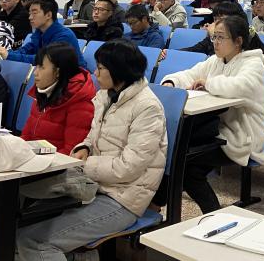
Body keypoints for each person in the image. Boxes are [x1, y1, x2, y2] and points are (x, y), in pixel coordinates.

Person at [17, 40, 167, 260]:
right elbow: (93, 134)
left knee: (35, 242)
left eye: (101, 68)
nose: (95, 73)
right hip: (92, 187)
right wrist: (84, 147)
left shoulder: (148, 108)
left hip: (122, 198)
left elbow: (128, 168)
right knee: (14, 221)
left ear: (119, 70)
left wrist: (84, 164)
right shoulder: (106, 96)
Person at [156, 16, 264, 214]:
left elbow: (240, 86)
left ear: (238, 41)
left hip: (243, 135)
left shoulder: (253, 63)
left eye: (220, 37)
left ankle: (209, 215)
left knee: (184, 162)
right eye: (214, 37)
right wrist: (172, 82)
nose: (215, 42)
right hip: (217, 129)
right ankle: (162, 205)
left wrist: (207, 83)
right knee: (176, 154)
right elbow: (190, 74)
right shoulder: (215, 60)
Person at [20, 42, 96, 154]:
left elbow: (71, 152)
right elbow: (26, 136)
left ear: (58, 72)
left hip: (56, 162)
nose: (35, 72)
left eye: (42, 67)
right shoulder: (43, 91)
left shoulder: (80, 103)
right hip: (34, 157)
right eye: (36, 66)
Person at [7, 0, 84, 66]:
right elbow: (27, 49)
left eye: (34, 13)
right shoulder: (39, 31)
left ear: (48, 15)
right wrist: (7, 53)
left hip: (72, 74)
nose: (30, 17)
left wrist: (9, 56)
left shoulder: (64, 36)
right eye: (30, 13)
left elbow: (45, 60)